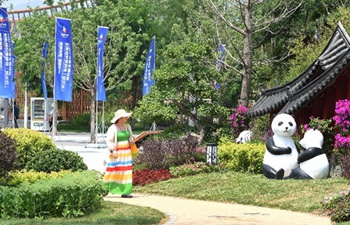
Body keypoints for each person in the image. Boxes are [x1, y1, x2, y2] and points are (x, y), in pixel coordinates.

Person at [103, 109, 135, 198]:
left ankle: (125, 191)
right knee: (114, 170)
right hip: (117, 152)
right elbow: (109, 141)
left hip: (127, 153)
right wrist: (113, 150)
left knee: (126, 171)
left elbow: (131, 135)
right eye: (125, 116)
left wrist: (132, 139)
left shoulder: (127, 126)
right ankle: (105, 188)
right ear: (120, 118)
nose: (126, 118)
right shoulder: (113, 128)